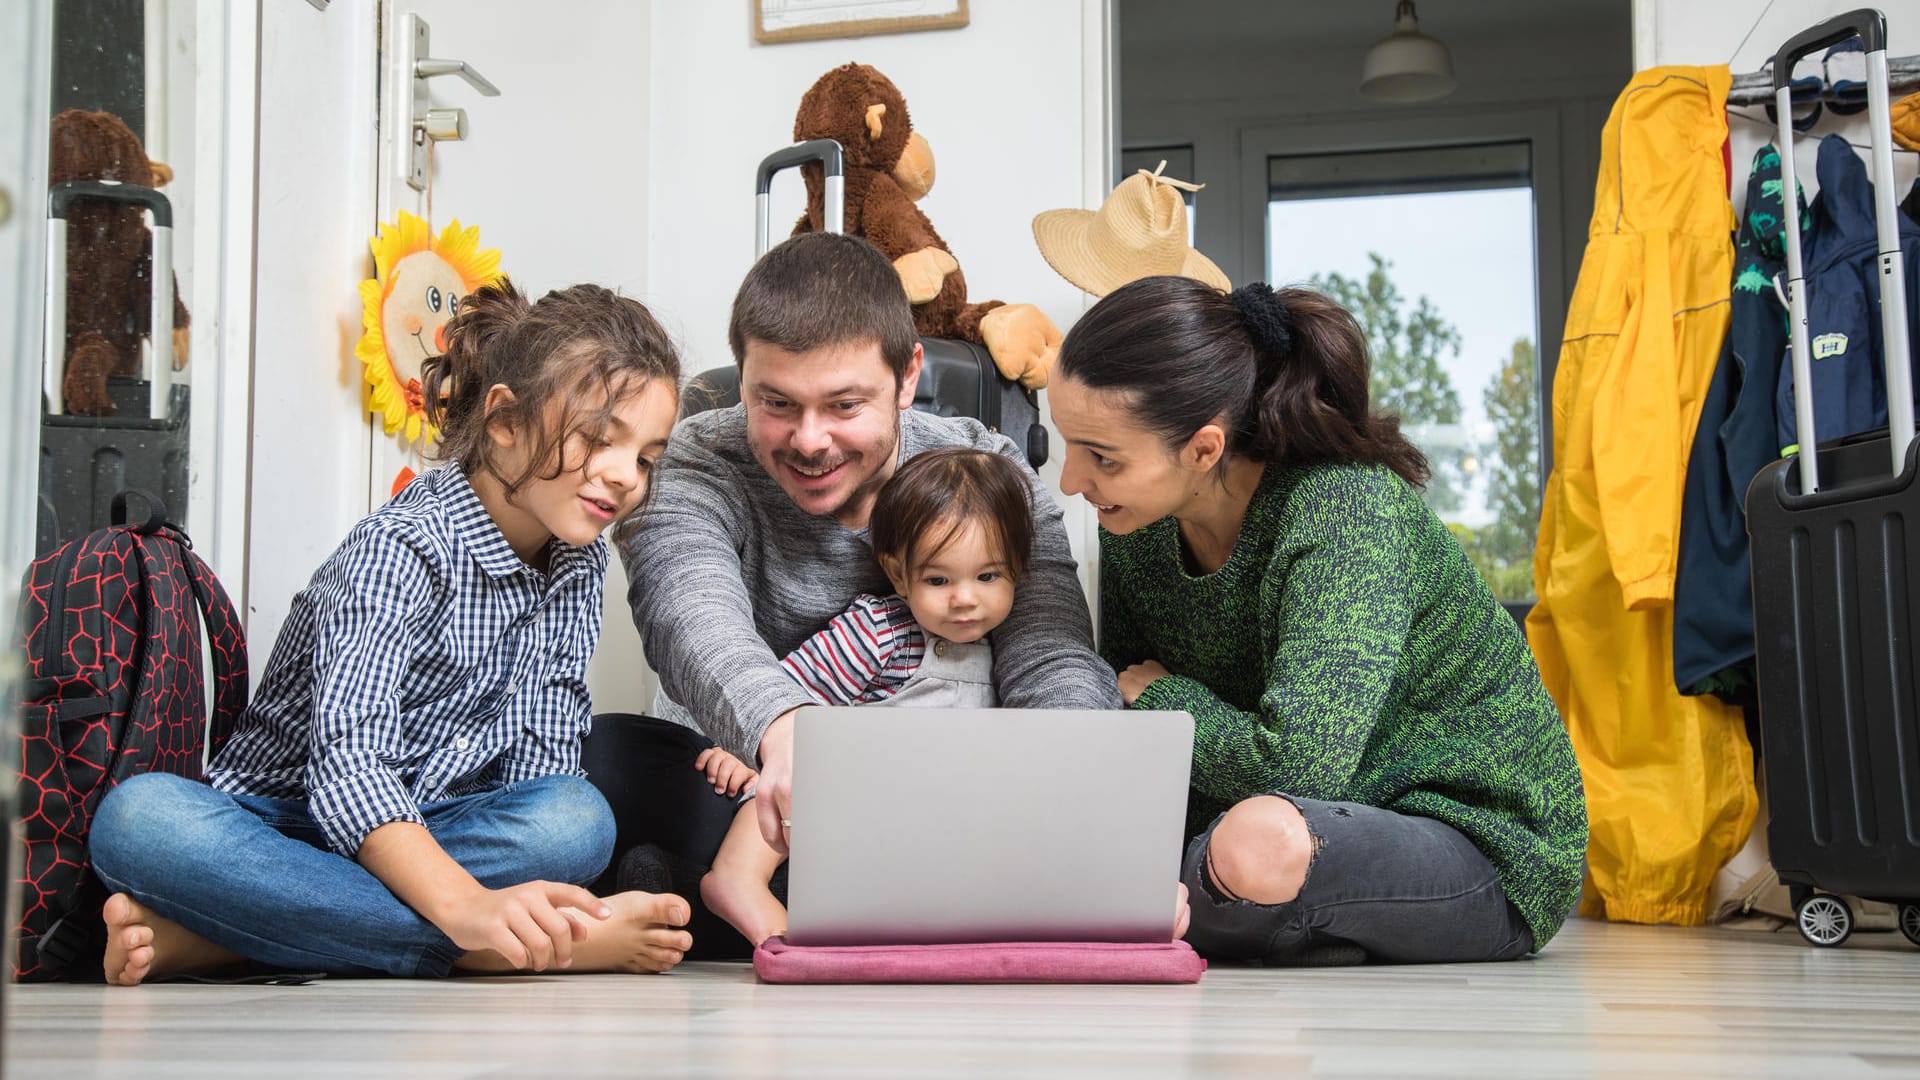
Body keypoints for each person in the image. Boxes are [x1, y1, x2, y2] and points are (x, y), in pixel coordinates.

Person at [87, 280, 696, 984]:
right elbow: (350, 771)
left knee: (577, 818)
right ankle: (473, 947)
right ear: (503, 420)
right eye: (598, 440)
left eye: (646, 458)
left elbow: (540, 769)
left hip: (435, 829)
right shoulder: (400, 548)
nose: (625, 477)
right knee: (139, 819)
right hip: (285, 825)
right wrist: (469, 908)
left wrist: (484, 879)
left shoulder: (579, 562)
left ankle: (237, 936)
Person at [1046, 274, 1587, 965]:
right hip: (1287, 817)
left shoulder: (1346, 508)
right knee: (1129, 865)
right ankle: (1280, 921)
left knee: (1256, 846)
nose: (1070, 480)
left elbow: (1301, 763)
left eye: (1102, 457)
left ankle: (1252, 913)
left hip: (1477, 839)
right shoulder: (1136, 530)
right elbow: (1145, 744)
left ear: (1205, 448)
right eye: (1069, 445)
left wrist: (1164, 699)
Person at [605, 233, 1120, 953]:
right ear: (743, 381)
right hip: (743, 785)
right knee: (608, 759)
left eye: (844, 405)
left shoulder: (991, 473)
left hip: (939, 795)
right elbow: (689, 615)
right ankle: (772, 893)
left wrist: (1084, 802)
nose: (810, 440)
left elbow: (1050, 654)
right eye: (775, 403)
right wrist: (784, 736)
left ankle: (698, 900)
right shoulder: (694, 459)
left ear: (907, 377)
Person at [694, 447, 1034, 945]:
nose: (965, 598)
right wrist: (740, 752)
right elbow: (782, 700)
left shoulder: (1007, 655)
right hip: (849, 810)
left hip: (923, 828)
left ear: (1017, 572)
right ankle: (738, 877)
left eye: (988, 577)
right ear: (899, 574)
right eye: (938, 580)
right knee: (807, 765)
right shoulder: (880, 632)